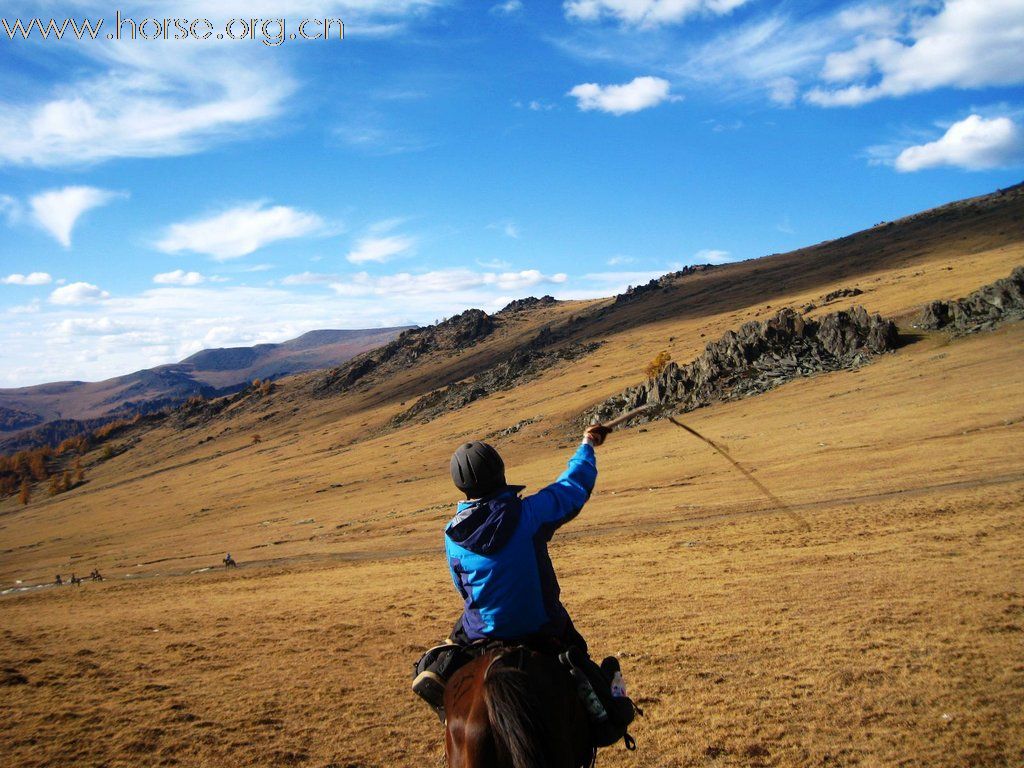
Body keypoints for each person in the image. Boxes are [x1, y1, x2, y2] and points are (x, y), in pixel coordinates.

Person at [412, 425, 636, 744]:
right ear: (501, 472)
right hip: (541, 625)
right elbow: (572, 486)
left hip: (482, 632)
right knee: (578, 657)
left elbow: (463, 590)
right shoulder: (528, 514)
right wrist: (587, 444)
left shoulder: (453, 535)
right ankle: (607, 712)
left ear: (461, 486)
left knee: (436, 659)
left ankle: (441, 695)